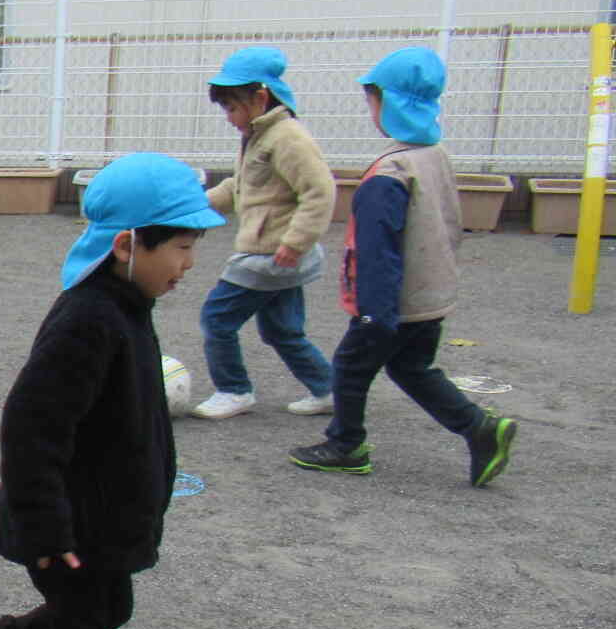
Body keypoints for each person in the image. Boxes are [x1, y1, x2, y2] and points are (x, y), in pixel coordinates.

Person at [0, 154, 224, 629]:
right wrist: (47, 528)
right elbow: (30, 426)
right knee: (87, 616)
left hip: (103, 513)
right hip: (69, 523)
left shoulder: (126, 305)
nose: (188, 263)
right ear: (129, 245)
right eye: (181, 247)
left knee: (105, 607)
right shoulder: (89, 319)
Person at [288, 48, 518, 486]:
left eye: (372, 100)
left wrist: (375, 312)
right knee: (412, 368)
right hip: (432, 296)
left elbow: (379, 252)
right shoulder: (436, 157)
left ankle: (345, 444)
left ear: (388, 105)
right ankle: (479, 428)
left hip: (391, 302)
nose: (370, 109)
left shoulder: (388, 173)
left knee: (351, 366)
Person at [189, 46, 336, 420]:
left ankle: (233, 389)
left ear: (260, 97)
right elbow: (241, 187)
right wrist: (195, 206)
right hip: (276, 254)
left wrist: (295, 242)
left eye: (232, 107)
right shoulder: (261, 135)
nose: (229, 117)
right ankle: (329, 387)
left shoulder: (287, 138)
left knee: (217, 318)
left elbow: (320, 192)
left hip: (269, 254)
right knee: (283, 330)